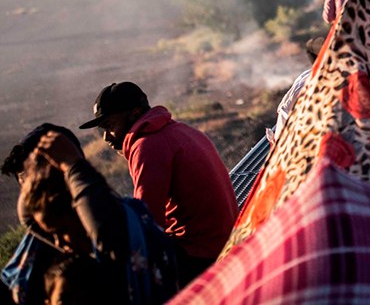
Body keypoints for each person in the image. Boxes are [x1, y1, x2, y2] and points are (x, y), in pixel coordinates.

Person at [79, 82, 238, 286]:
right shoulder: (182, 130)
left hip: (199, 255)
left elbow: (147, 220)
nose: (106, 137)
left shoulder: (147, 145)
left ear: (135, 114)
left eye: (110, 126)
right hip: (225, 242)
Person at [5, 125, 179, 304]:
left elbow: (102, 225)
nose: (57, 243)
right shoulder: (77, 236)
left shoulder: (118, 238)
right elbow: (28, 218)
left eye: (62, 231)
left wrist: (73, 166)